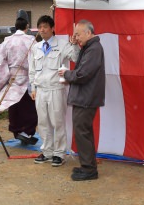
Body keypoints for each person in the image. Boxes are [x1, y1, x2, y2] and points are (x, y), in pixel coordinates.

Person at [0, 10, 38, 145]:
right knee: (29, 107)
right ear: (27, 26)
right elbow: (36, 61)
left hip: (12, 78)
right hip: (27, 77)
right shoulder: (31, 41)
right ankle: (27, 132)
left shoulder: (7, 42)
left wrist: (1, 81)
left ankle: (17, 131)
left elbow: (1, 63)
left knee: (14, 106)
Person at [29, 15, 80, 167]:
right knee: (43, 122)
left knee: (57, 122)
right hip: (40, 90)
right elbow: (32, 71)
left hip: (56, 89)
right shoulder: (35, 48)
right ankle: (47, 151)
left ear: (52, 28)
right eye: (40, 27)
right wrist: (33, 87)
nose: (42, 30)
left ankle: (59, 153)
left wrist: (75, 45)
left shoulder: (63, 45)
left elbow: (75, 58)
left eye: (45, 26)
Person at [59, 20, 105, 181]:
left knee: (82, 133)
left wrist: (66, 74)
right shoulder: (89, 48)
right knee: (84, 132)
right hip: (85, 96)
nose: (76, 37)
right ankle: (88, 166)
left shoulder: (94, 49)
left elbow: (83, 74)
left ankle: (89, 169)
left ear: (88, 32)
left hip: (86, 97)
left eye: (78, 34)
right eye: (75, 34)